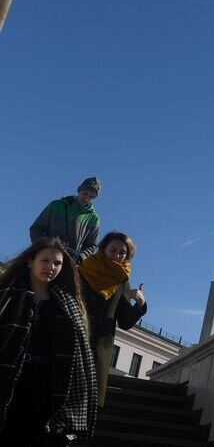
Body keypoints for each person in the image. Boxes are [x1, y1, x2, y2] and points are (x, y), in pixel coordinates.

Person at [0, 237, 98, 445]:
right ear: (30, 261)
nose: (50, 267)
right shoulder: (7, 294)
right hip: (9, 381)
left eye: (57, 263)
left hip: (46, 387)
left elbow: (78, 356)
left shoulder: (68, 306)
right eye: (45, 261)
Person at [79, 232, 147, 406]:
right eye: (113, 250)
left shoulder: (122, 281)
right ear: (103, 249)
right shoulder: (84, 270)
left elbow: (124, 321)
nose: (117, 255)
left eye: (122, 253)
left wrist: (139, 306)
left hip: (98, 349)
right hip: (74, 339)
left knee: (87, 405)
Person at [29, 177, 102, 262]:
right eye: (85, 193)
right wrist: (41, 246)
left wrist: (81, 257)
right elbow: (36, 228)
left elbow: (91, 244)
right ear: (79, 190)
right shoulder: (56, 205)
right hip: (47, 254)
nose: (86, 198)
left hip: (70, 261)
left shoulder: (93, 218)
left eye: (91, 196)